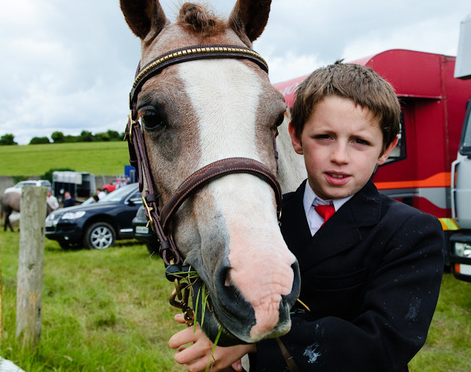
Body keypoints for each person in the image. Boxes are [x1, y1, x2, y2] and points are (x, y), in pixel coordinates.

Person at [169, 62, 444, 372]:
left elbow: (384, 343)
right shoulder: (267, 218)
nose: (340, 155)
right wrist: (215, 324)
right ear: (296, 137)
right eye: (324, 137)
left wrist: (251, 341)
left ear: (386, 149)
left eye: (360, 141)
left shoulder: (412, 231)